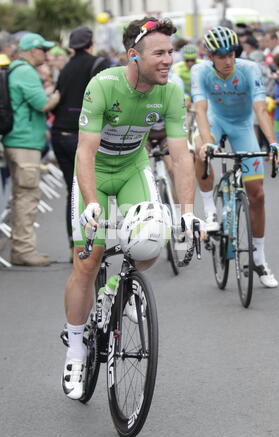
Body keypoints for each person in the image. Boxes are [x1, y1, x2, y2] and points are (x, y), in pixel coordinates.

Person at [62, 17, 205, 400]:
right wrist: (92, 203)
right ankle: (76, 348)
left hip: (132, 169)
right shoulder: (104, 85)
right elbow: (85, 152)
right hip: (95, 171)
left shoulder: (171, 92)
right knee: (88, 260)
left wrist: (188, 211)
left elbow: (180, 153)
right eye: (159, 52)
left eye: (170, 52)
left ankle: (113, 292)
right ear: (133, 56)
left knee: (152, 241)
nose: (168, 60)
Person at [191, 26, 279, 288]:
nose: (228, 61)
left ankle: (259, 258)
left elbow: (261, 110)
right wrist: (207, 143)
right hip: (215, 122)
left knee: (258, 195)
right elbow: (201, 111)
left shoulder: (249, 69)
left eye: (231, 54)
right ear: (210, 56)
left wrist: (273, 144)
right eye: (221, 56)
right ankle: (210, 211)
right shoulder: (200, 71)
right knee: (199, 150)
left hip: (242, 126)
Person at [51, 26, 110, 259]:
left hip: (59, 133)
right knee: (89, 191)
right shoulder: (99, 64)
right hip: (82, 134)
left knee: (72, 192)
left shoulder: (65, 68)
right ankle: (91, 246)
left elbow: (56, 98)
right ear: (91, 42)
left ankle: (72, 246)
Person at [2, 33, 60, 267]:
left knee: (20, 195)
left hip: (18, 140)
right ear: (31, 50)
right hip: (24, 141)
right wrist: (58, 94)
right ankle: (24, 249)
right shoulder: (25, 72)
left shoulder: (16, 69)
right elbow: (42, 104)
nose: (46, 54)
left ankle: (20, 247)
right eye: (42, 49)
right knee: (27, 196)